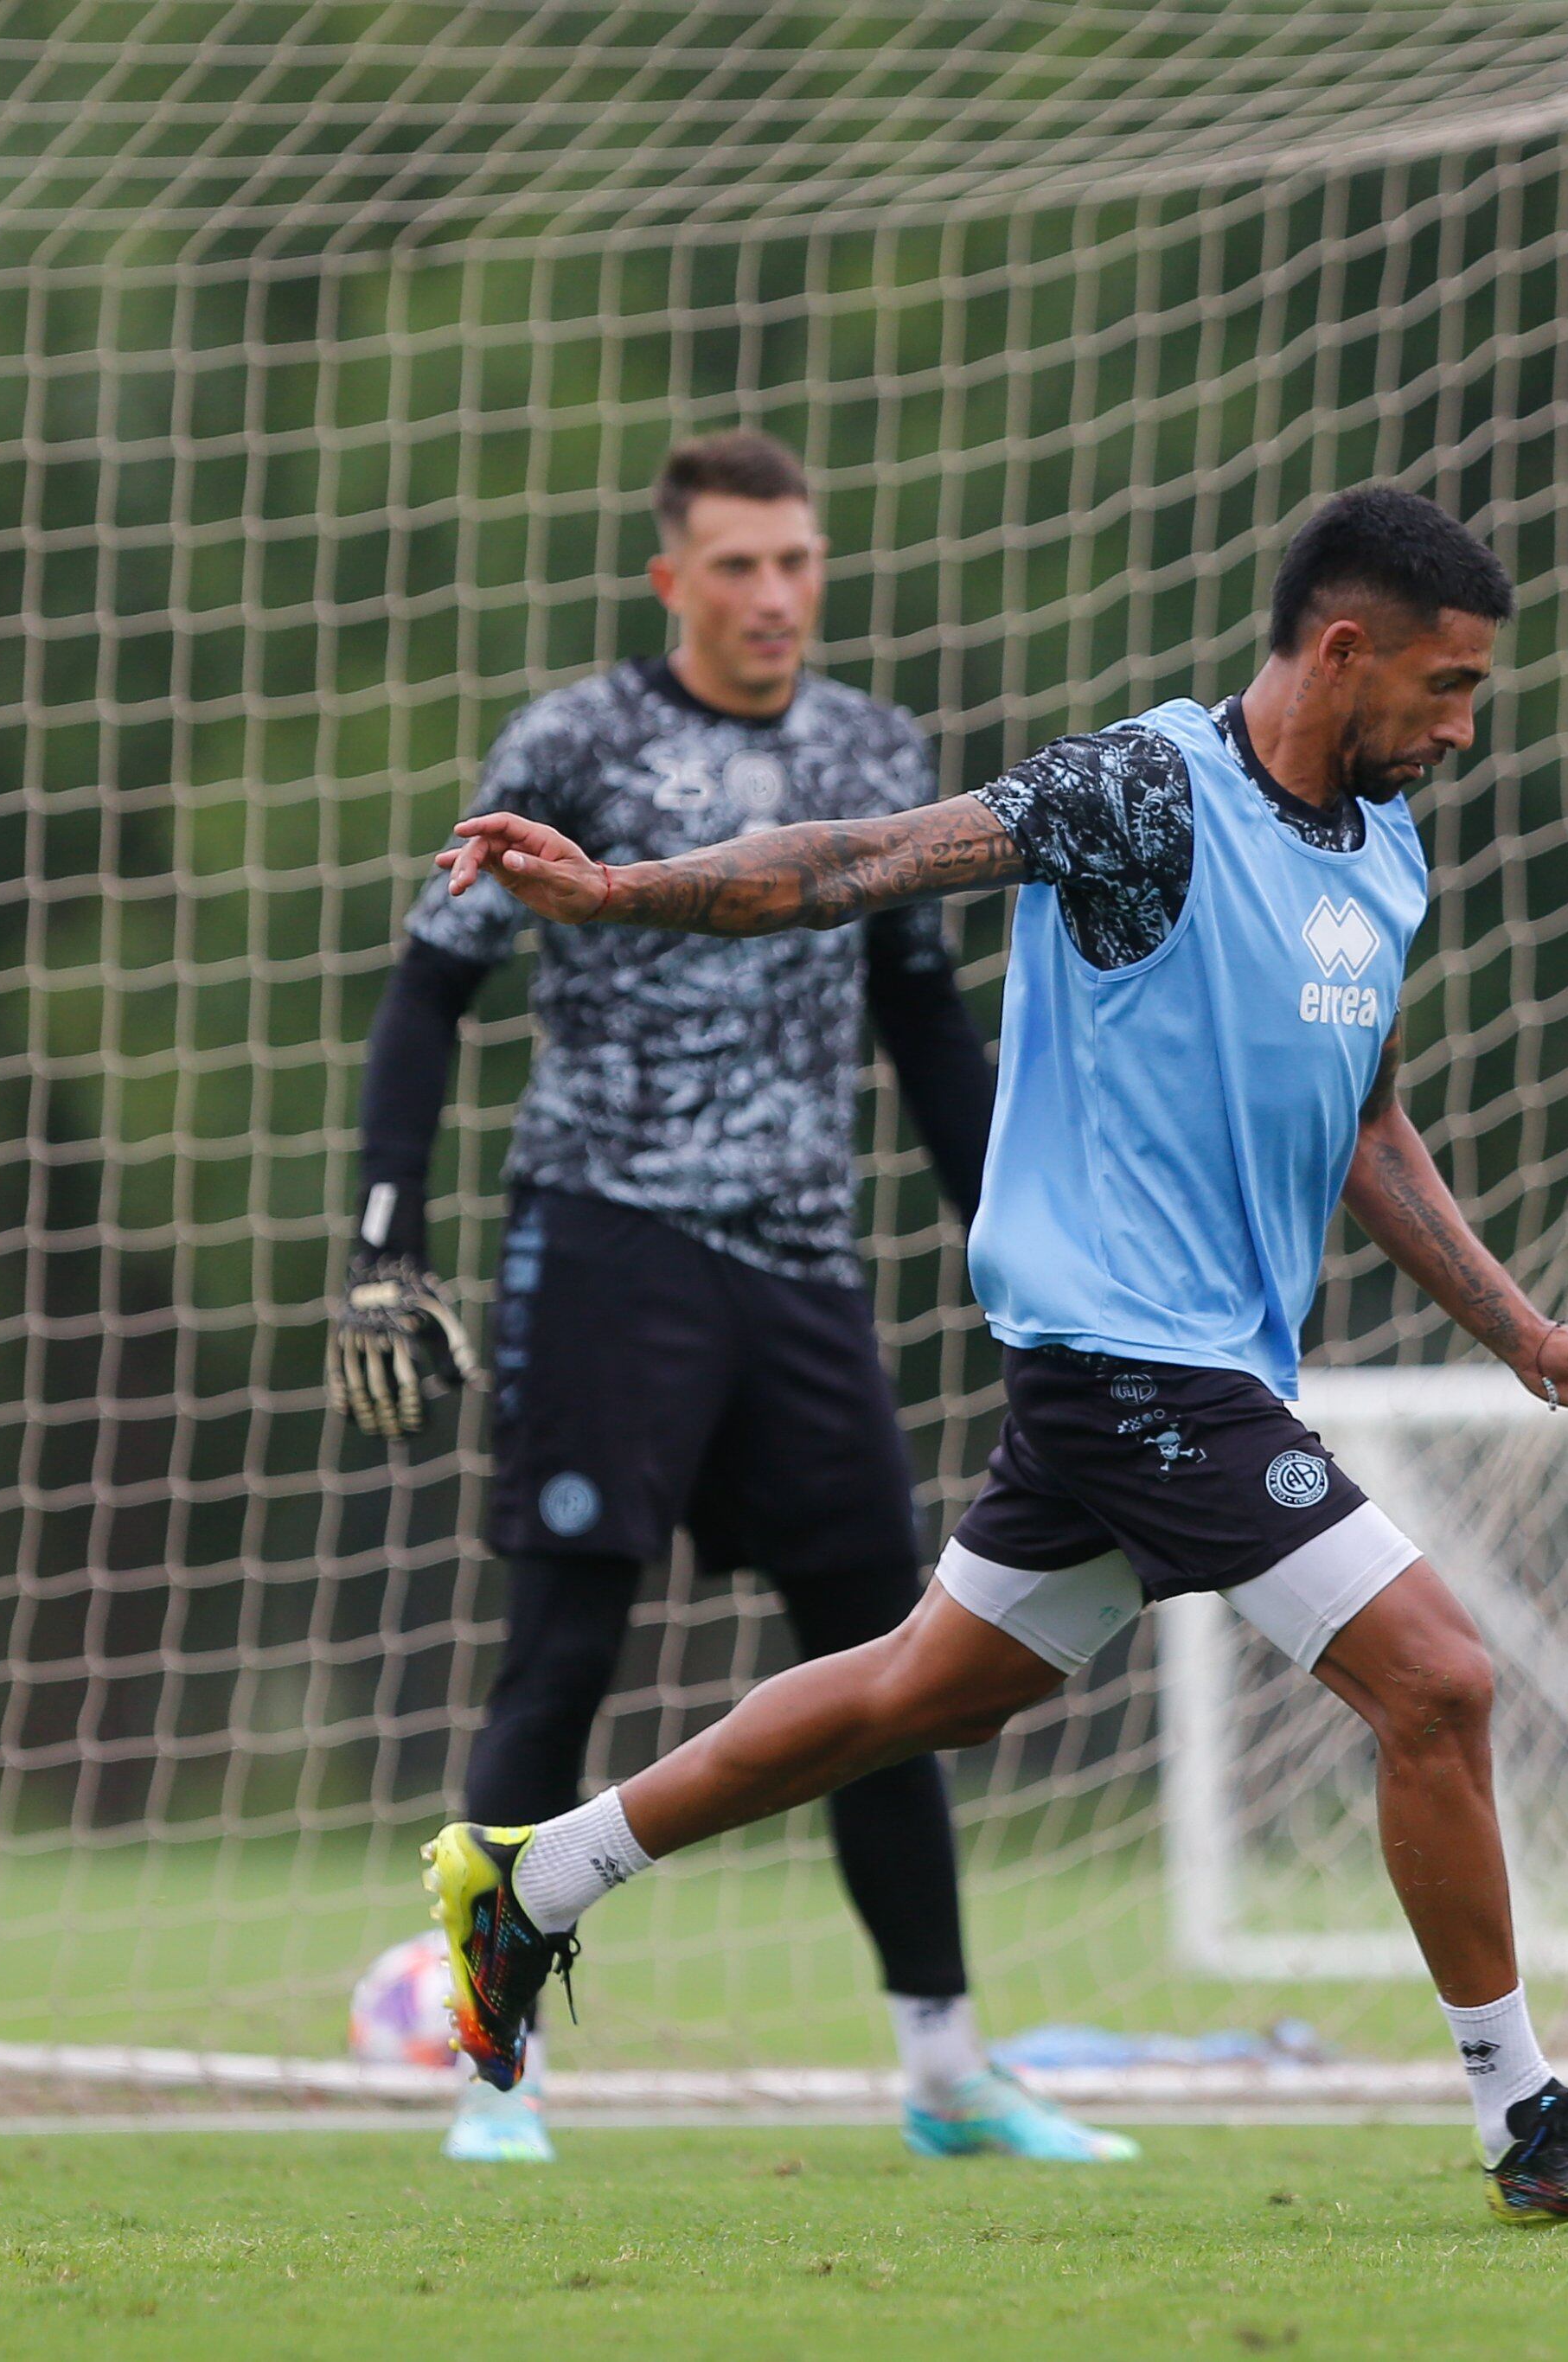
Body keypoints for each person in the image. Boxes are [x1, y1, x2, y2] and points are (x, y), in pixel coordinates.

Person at [419, 484, 1568, 2225]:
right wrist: (618, 888)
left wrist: (1529, 1336)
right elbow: (852, 858)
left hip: (1205, 1372)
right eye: (1444, 685)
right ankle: (1525, 2116)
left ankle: (532, 1878)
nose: (1462, 726)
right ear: (1341, 651)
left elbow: (1369, 1125)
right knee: (1438, 1679)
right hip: (1122, 1364)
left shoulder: (1384, 838)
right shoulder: (1137, 794)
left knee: (909, 1692)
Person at [329, 428, 1130, 2165]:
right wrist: (384, 1237)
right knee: (565, 1647)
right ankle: (498, 2072)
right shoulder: (575, 741)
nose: (774, 594)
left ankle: (946, 2073)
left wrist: (1029, 1240)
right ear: (670, 580)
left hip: (801, 1278)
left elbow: (922, 1022)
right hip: (602, 1247)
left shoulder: (870, 746)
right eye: (739, 565)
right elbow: (424, 991)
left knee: (899, 1669)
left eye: (797, 561)